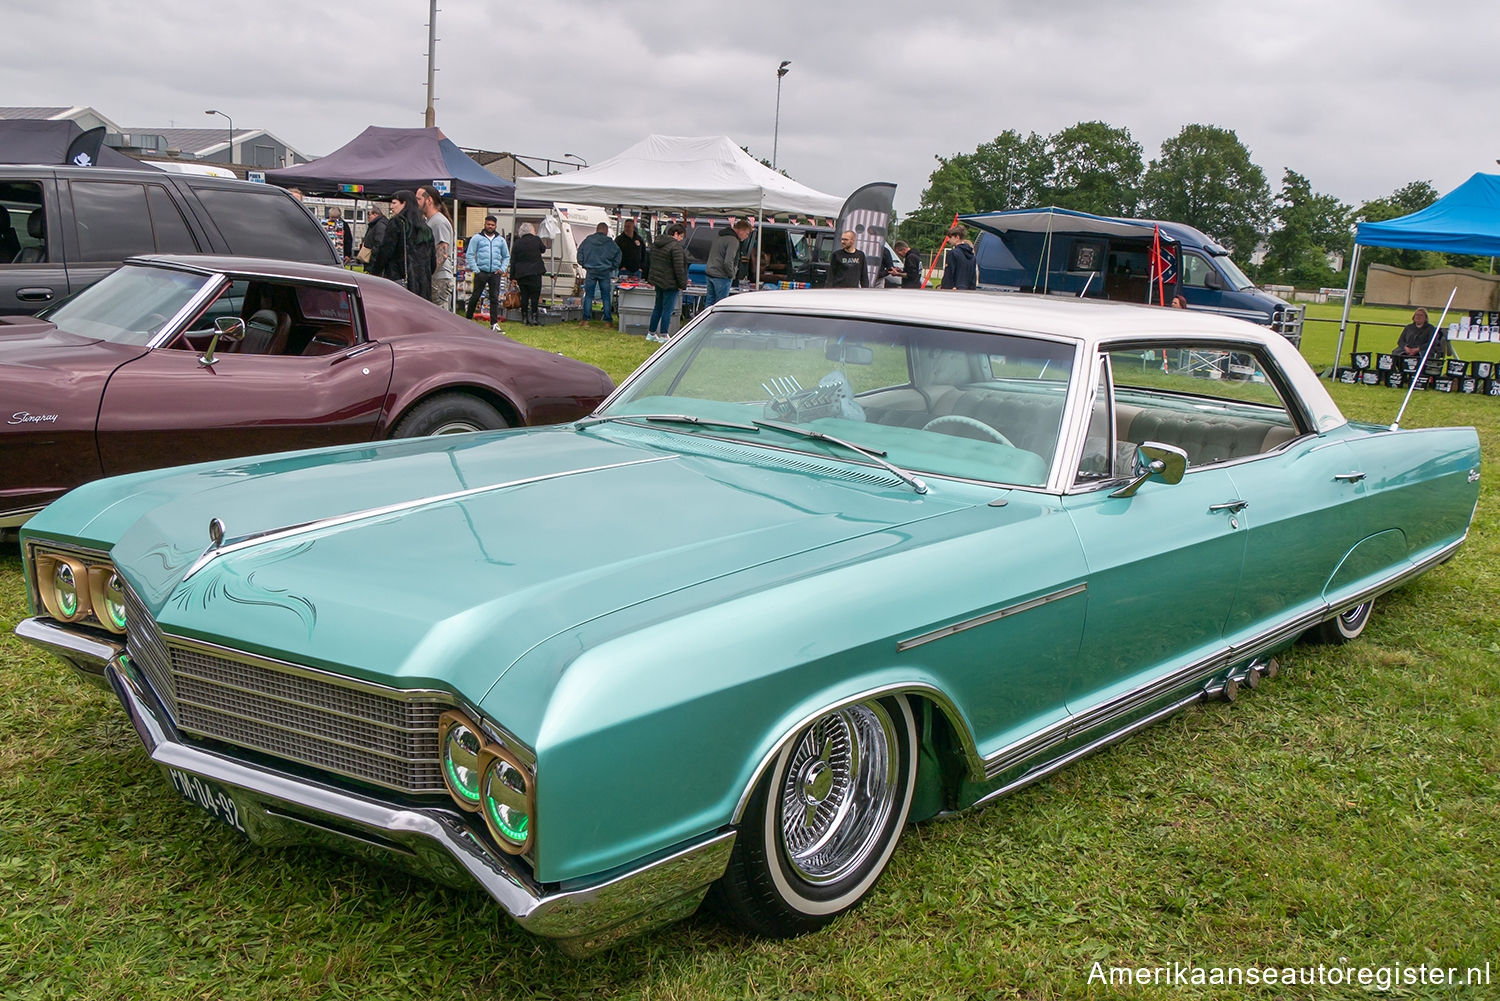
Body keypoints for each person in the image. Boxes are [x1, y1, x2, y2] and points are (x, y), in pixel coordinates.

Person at [368, 190, 434, 299]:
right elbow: (432, 262)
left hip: (399, 283)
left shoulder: (397, 223)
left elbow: (385, 252)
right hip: (423, 287)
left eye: (394, 203)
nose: (391, 207)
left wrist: (375, 272)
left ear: (404, 204)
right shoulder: (426, 228)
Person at [464, 214, 510, 329]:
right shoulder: (477, 238)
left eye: (492, 225)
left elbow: (506, 256)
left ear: (496, 226)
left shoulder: (501, 240)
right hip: (481, 271)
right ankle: (468, 319)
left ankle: (494, 323)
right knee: (475, 296)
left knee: (494, 298)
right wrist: (476, 269)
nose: (490, 227)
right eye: (488, 224)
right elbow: (469, 254)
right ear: (484, 224)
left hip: (495, 273)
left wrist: (502, 269)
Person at [647, 222, 687, 342]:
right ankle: (664, 334)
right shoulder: (675, 247)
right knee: (667, 309)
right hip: (670, 282)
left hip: (658, 280)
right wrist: (682, 284)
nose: (681, 240)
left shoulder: (656, 244)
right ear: (676, 234)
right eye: (681, 236)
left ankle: (651, 333)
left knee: (657, 307)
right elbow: (679, 268)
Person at [416, 185, 455, 309]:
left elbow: (442, 253)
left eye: (418, 199)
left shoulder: (438, 222)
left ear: (429, 200)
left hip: (439, 279)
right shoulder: (430, 221)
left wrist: (427, 275)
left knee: (437, 317)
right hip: (436, 277)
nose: (416, 203)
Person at [577, 221, 622, 324]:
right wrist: (613, 267)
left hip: (591, 270)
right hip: (605, 271)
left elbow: (580, 252)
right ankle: (608, 321)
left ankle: (586, 320)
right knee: (606, 296)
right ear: (606, 231)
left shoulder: (588, 240)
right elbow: (619, 254)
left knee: (588, 295)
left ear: (597, 229)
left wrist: (583, 264)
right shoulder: (610, 242)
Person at [509, 222, 547, 326]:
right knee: (535, 296)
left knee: (524, 296)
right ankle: (534, 318)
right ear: (531, 230)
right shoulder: (536, 240)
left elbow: (513, 261)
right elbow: (543, 249)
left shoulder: (517, 243)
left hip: (521, 273)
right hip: (535, 272)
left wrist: (512, 277)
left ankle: (524, 318)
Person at [706, 219, 751, 305]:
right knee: (721, 305)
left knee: (709, 304)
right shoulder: (733, 240)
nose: (747, 236)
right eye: (747, 233)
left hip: (710, 273)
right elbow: (728, 261)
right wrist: (732, 275)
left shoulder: (719, 236)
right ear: (741, 230)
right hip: (722, 276)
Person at [939, 225, 976, 290]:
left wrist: (947, 287)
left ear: (957, 237)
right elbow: (973, 278)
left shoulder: (952, 253)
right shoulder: (972, 256)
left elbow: (949, 275)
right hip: (968, 291)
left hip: (954, 291)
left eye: (950, 237)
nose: (948, 240)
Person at [359, 205, 389, 270]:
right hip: (371, 260)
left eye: (369, 215)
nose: (368, 217)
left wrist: (372, 257)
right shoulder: (374, 224)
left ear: (375, 214)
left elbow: (379, 243)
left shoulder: (380, 225)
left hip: (373, 262)